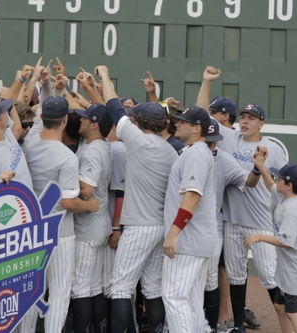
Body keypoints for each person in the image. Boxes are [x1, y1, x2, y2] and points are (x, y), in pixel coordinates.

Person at [196, 67, 287, 333]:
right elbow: (202, 117)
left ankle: (287, 321)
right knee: (236, 277)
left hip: (260, 224)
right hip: (232, 221)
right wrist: (207, 82)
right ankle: (238, 326)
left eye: (252, 118)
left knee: (270, 277)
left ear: (262, 124)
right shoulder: (229, 139)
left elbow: (285, 186)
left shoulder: (273, 149)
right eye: (244, 116)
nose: (246, 121)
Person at [97, 65, 177, 333]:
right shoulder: (170, 151)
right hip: (160, 226)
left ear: (139, 122)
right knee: (153, 287)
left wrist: (105, 76)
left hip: (140, 226)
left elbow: (112, 105)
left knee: (120, 287)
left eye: (134, 117)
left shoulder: (139, 140)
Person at [21, 96, 99, 333]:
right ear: (66, 120)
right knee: (60, 290)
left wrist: (48, 88)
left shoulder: (31, 140)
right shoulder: (67, 156)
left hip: (31, 229)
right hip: (59, 232)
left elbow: (36, 120)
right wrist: (89, 206)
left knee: (31, 289)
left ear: (42, 117)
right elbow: (68, 202)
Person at [203, 119, 264, 332]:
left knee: (210, 279)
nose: (210, 145)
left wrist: (256, 169)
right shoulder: (183, 154)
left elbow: (247, 182)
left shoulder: (224, 159)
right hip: (185, 228)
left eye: (213, 141)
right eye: (206, 140)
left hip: (212, 226)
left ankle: (211, 326)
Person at [161, 106, 218, 333]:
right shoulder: (195, 152)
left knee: (174, 297)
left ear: (197, 128)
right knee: (191, 301)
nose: (177, 124)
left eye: (182, 122)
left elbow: (192, 196)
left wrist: (174, 232)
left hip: (188, 241)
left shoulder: (196, 154)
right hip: (198, 240)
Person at [245, 160, 297, 333]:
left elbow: (286, 242)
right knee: (280, 306)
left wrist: (260, 236)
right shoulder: (286, 196)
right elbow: (271, 186)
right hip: (286, 268)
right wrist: (260, 166)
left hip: (295, 270)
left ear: (289, 185)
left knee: (294, 312)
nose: (277, 180)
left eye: (280, 178)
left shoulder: (293, 210)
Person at [71, 104, 113, 333]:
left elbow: (86, 189)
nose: (81, 121)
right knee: (95, 287)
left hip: (88, 229)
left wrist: (64, 176)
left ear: (95, 124)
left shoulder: (94, 150)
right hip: (98, 225)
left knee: (80, 288)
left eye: (85, 118)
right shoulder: (100, 145)